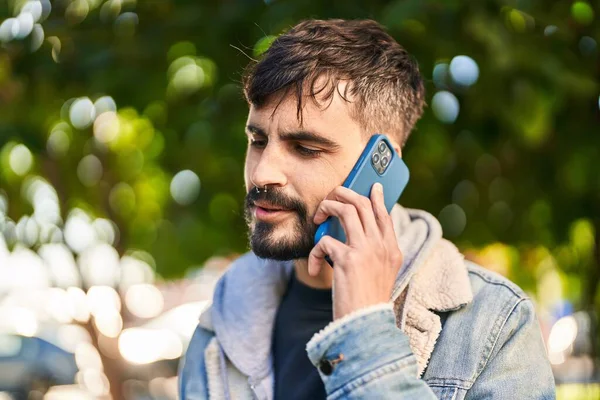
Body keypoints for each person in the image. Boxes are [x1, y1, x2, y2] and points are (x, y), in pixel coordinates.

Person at [178, 18, 555, 399]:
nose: (262, 173)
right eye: (258, 140)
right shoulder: (216, 332)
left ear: (382, 163)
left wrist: (364, 336)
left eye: (306, 148)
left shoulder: (495, 323)